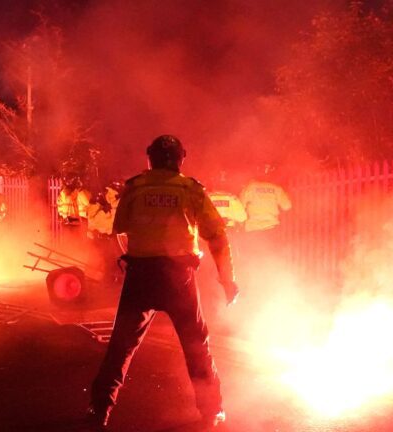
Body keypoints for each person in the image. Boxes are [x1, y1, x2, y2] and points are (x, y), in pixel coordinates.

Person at [86, 135, 239, 429]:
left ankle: (99, 409)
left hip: (141, 277)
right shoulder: (190, 190)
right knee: (196, 345)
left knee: (121, 346)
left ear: (150, 158)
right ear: (180, 159)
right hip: (179, 278)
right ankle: (210, 411)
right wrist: (227, 280)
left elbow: (119, 233)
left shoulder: (135, 188)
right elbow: (217, 236)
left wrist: (131, 260)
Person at [239, 165, 292, 233]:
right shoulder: (276, 189)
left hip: (253, 228)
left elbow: (240, 208)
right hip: (271, 227)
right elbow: (287, 206)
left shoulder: (250, 188)